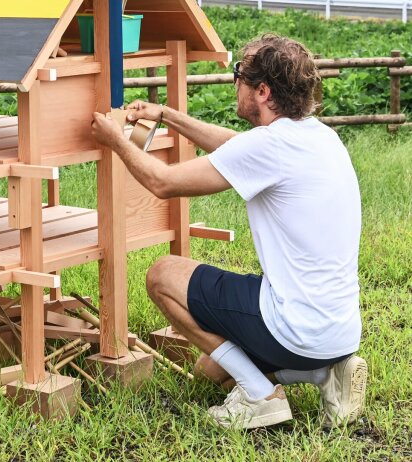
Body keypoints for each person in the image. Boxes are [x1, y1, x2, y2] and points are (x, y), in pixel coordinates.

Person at [90, 34, 367, 429]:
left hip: (295, 328)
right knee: (211, 370)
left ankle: (261, 395)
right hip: (337, 332)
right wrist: (167, 115)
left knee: (162, 275)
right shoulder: (319, 136)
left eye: (239, 75)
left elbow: (164, 182)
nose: (233, 83)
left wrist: (117, 141)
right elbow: (238, 146)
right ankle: (326, 374)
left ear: (263, 91)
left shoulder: (270, 148)